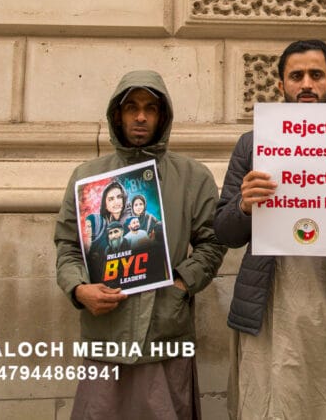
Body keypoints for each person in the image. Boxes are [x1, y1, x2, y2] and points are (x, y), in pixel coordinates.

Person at [214, 39, 326, 419]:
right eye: (296, 76)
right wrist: (244, 204)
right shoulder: (252, 145)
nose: (307, 84)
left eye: (317, 74)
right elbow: (225, 232)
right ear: (280, 85)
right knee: (275, 401)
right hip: (271, 302)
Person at [54, 70, 226, 419]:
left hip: (165, 334)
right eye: (131, 107)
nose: (141, 116)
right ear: (117, 115)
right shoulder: (88, 177)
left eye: (150, 107)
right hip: (106, 334)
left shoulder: (193, 177)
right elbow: (68, 245)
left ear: (163, 116)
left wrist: (180, 283)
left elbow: (212, 244)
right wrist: (78, 289)